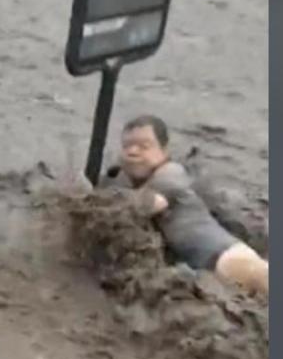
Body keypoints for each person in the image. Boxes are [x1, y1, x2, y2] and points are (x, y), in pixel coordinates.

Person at [104, 114, 268, 295]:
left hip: (229, 260)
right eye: (127, 146)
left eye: (144, 146)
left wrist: (96, 200)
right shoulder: (147, 182)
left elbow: (146, 205)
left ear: (164, 151)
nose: (133, 152)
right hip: (214, 267)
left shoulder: (169, 174)